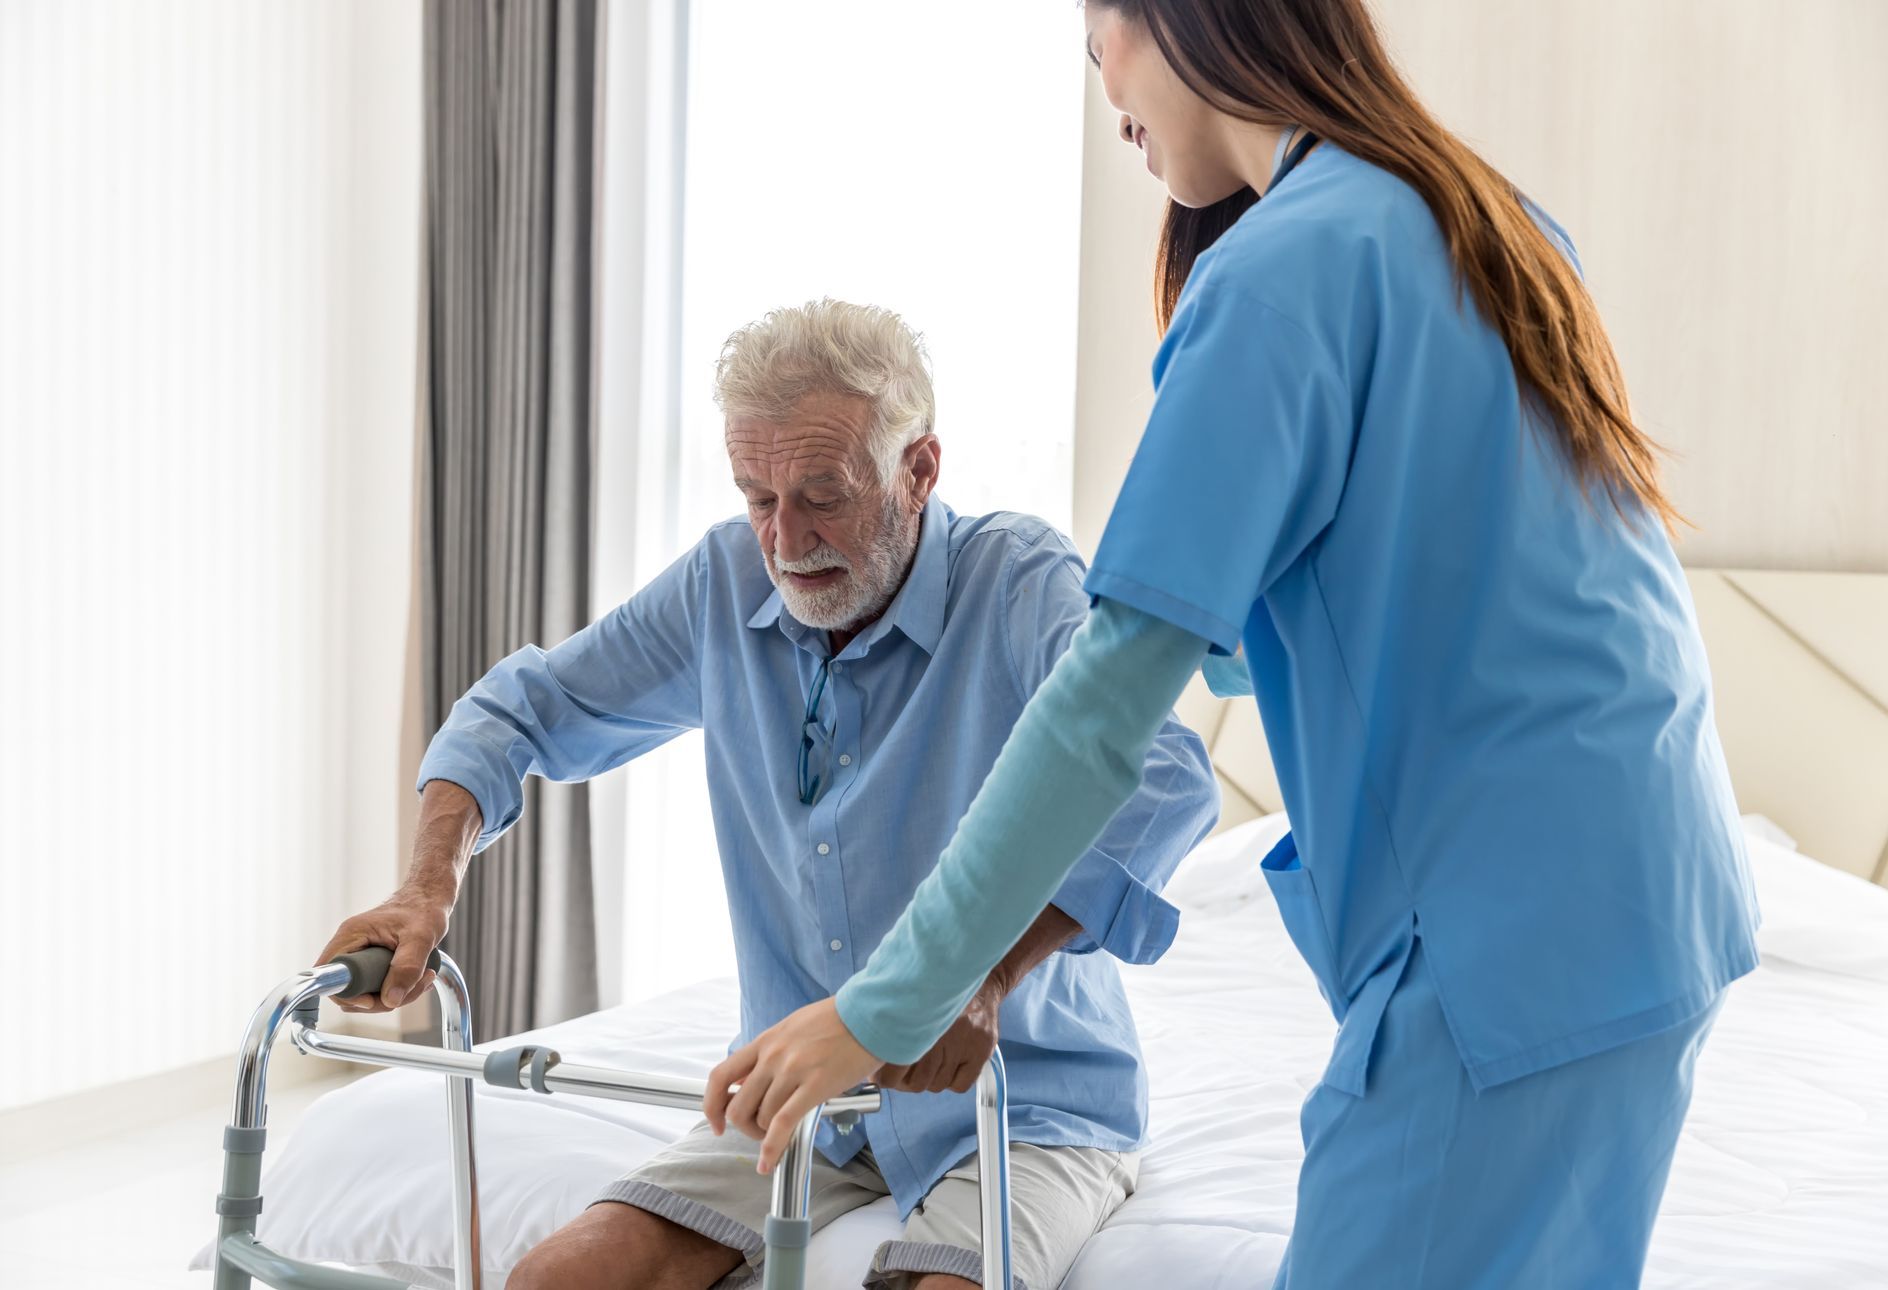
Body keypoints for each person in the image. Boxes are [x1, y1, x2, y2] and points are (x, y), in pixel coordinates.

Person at [705, 6, 1760, 1288]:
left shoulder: (1282, 273)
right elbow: (1441, 584)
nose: (1106, 90)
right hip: (1648, 912)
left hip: (1505, 957)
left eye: (1100, 39)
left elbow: (1101, 717)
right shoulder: (1480, 216)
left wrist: (881, 1009)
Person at [316, 298, 1218, 1290]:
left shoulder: (1014, 580)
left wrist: (984, 976)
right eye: (758, 497)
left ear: (919, 469)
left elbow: (1165, 776)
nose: (786, 540)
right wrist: (425, 885)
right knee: (556, 1279)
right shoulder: (722, 584)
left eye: (823, 494)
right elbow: (518, 707)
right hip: (803, 1093)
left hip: (1022, 1098)